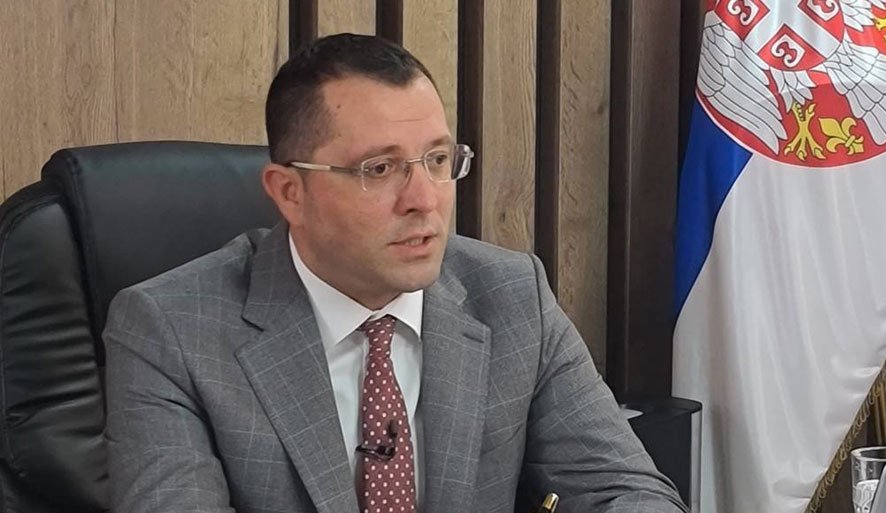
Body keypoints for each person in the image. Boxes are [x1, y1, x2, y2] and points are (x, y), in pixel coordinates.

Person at [104, 33, 686, 513]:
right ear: (289, 192)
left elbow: (626, 491)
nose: (424, 200)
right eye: (379, 169)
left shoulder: (512, 296)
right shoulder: (172, 330)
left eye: (437, 160)